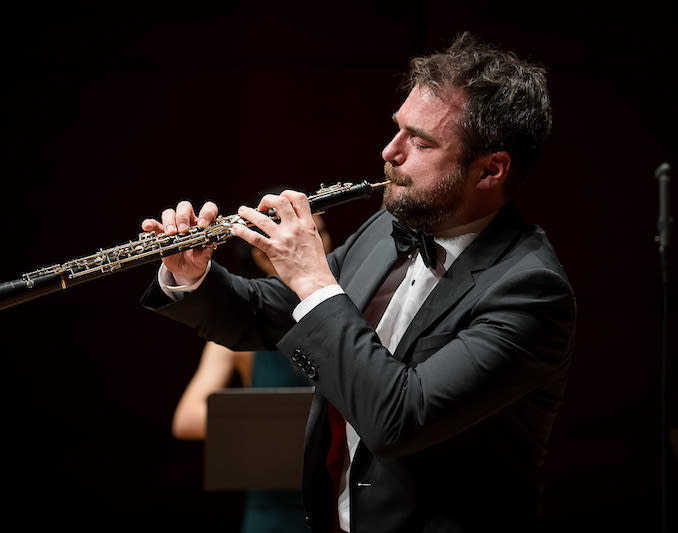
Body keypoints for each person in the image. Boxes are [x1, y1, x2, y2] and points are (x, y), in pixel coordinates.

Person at [141, 31, 576, 533]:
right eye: (398, 129)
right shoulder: (388, 229)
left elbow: (399, 418)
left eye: (421, 141)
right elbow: (269, 316)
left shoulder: (530, 290)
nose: (391, 151)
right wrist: (192, 274)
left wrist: (312, 276)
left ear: (490, 170)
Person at [171, 215, 332, 533]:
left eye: (319, 233)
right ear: (261, 253)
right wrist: (304, 425)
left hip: (340, 498)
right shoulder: (241, 332)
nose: (319, 244)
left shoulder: (344, 310)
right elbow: (187, 419)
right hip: (275, 506)